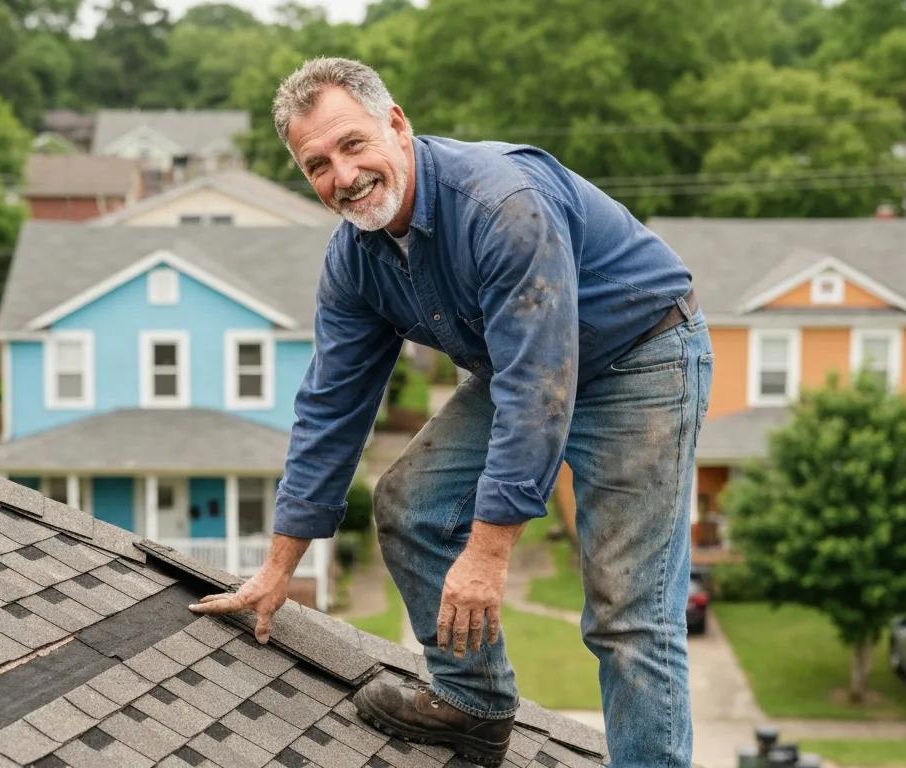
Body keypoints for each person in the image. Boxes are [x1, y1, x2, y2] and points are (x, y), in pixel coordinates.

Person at [189, 57, 711, 768]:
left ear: (396, 125)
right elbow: (332, 406)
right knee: (409, 505)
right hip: (523, 365)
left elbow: (538, 391)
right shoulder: (356, 262)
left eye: (352, 145)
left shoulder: (501, 204)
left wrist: (489, 551)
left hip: (639, 359)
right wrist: (278, 567)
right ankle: (473, 703)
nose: (342, 176)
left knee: (628, 612)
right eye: (316, 164)